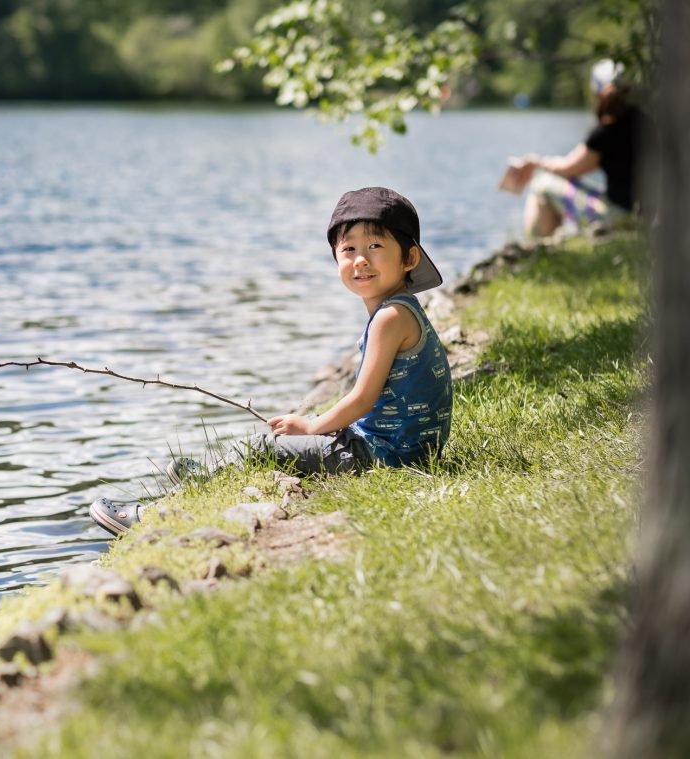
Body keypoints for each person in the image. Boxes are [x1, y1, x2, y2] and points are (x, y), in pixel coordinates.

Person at [89, 187, 453, 536]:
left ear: (409, 258)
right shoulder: (397, 311)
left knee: (262, 447)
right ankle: (209, 475)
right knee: (278, 442)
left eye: (375, 246)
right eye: (349, 248)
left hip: (384, 456)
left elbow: (362, 399)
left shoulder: (390, 318)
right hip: (401, 447)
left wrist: (312, 427)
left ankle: (152, 516)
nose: (360, 259)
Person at [509, 60, 645, 238]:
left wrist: (536, 162)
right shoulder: (647, 123)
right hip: (648, 214)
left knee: (541, 185)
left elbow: (567, 168)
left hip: (621, 216)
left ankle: (535, 248)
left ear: (597, 93)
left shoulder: (605, 133)